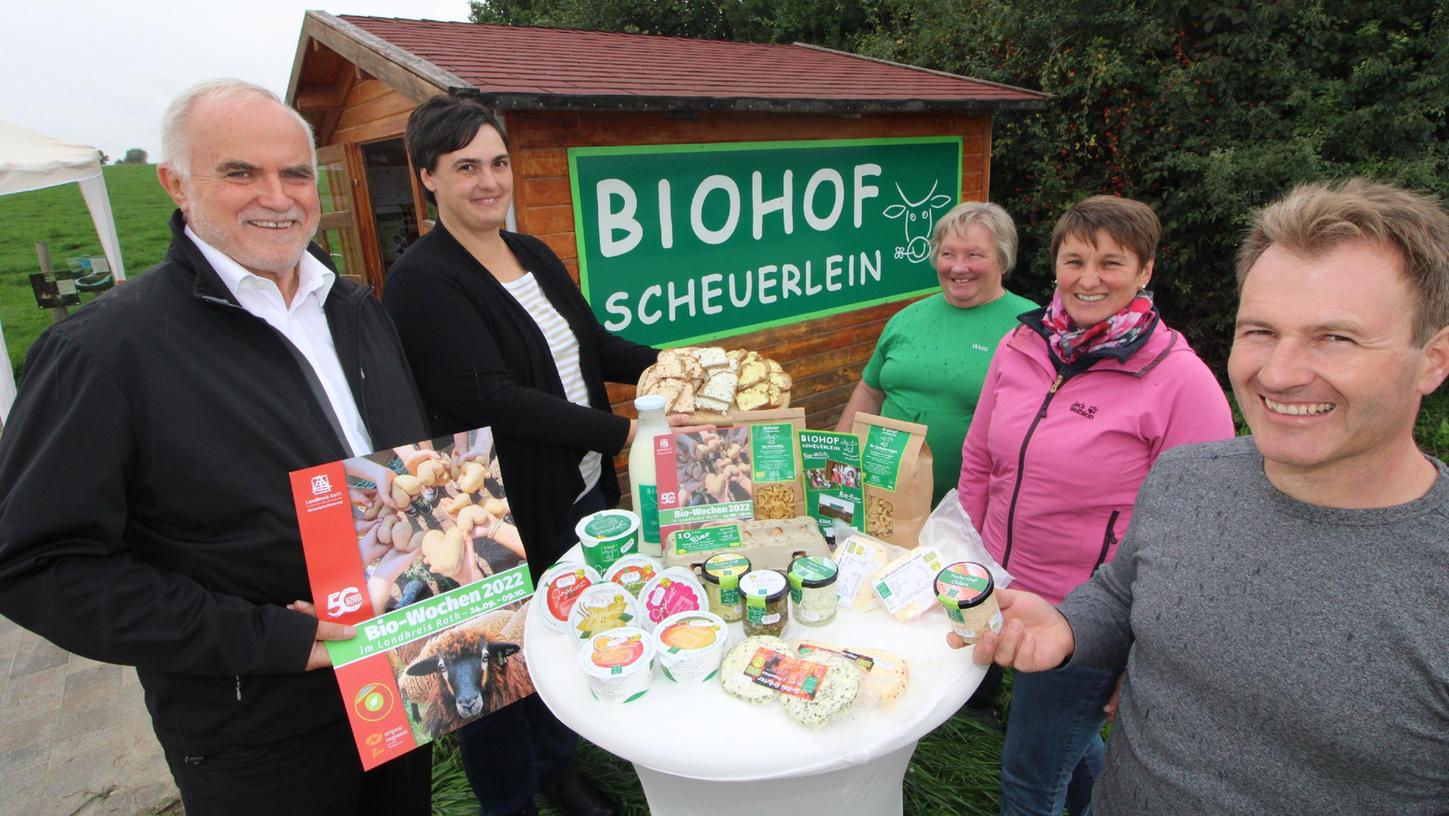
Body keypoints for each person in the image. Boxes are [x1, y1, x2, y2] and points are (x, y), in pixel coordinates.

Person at [0, 80, 433, 815]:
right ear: (176, 183)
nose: (277, 195)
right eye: (239, 173)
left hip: (395, 681)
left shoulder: (356, 307)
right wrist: (267, 639)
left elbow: (399, 468)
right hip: (256, 723)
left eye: (295, 172)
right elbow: (35, 564)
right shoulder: (104, 350)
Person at [964, 178, 1449, 814]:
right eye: (1260, 331)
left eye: (1337, 337)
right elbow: (1120, 592)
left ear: (1433, 360)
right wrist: (1070, 624)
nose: (1277, 373)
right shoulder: (1186, 479)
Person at [382, 94, 665, 816]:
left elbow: (593, 347)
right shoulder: (422, 281)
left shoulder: (530, 251)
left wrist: (682, 366)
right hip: (503, 509)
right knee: (500, 664)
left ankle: (558, 773)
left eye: (498, 162)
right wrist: (621, 435)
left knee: (566, 634)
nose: (488, 181)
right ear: (427, 177)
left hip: (578, 491)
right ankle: (508, 800)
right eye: (465, 166)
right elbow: (493, 398)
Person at [957, 195, 1233, 815]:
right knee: (1065, 748)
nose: (1088, 279)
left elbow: (1202, 534)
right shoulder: (1023, 344)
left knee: (1029, 781)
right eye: (1074, 259)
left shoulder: (1180, 381)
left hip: (1088, 615)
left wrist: (1145, 646)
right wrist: (965, 559)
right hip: (1000, 586)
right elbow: (980, 458)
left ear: (1145, 272)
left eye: (1111, 263)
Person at [836, 201, 1037, 507]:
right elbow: (870, 392)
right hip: (884, 501)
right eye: (948, 254)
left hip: (975, 512)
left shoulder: (1032, 328)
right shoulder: (906, 319)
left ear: (1003, 259)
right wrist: (837, 463)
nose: (958, 267)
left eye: (974, 255)